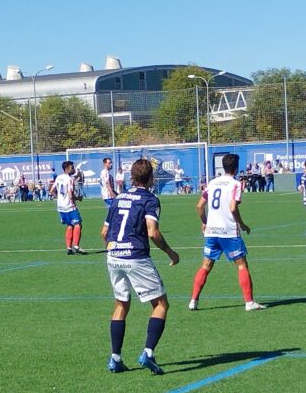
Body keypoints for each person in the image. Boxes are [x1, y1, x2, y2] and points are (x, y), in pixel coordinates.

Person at [101, 158, 180, 375]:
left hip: (113, 256)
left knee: (121, 304)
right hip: (136, 256)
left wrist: (115, 250)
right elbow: (152, 231)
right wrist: (171, 253)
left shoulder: (118, 199)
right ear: (151, 178)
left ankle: (115, 358)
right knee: (161, 304)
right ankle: (148, 352)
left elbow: (104, 233)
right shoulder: (150, 199)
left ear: (131, 177)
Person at [188, 153, 265, 312]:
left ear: (223, 167)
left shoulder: (213, 182)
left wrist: (205, 222)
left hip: (212, 231)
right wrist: (242, 224)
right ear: (236, 168)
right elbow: (232, 208)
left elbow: (199, 206)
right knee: (242, 265)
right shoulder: (235, 184)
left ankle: (193, 301)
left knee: (206, 265)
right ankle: (249, 302)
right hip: (228, 232)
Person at [49, 160, 86, 255]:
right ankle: (76, 246)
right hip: (70, 206)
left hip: (61, 206)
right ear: (67, 169)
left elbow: (51, 190)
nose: (73, 169)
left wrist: (59, 198)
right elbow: (70, 194)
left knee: (70, 225)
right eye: (72, 167)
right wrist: (78, 198)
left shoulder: (59, 177)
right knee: (78, 224)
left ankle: (69, 248)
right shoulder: (69, 179)